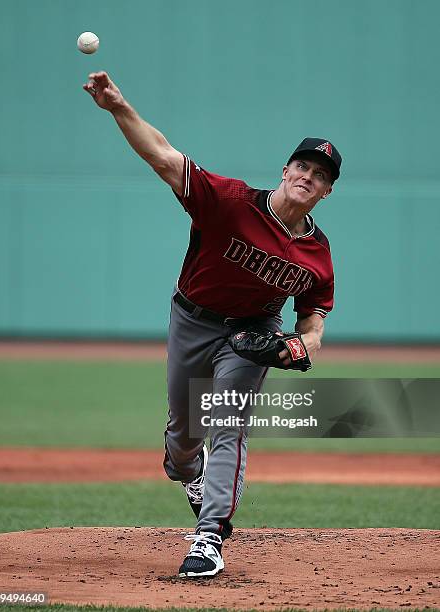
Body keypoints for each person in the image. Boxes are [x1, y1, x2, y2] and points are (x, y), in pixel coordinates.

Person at [83, 71, 342, 578]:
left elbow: (313, 317)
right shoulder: (229, 201)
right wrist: (118, 107)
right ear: (286, 169)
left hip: (252, 335)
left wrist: (300, 345)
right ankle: (188, 473)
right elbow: (162, 155)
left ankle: (209, 538)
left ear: (327, 191)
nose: (308, 175)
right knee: (184, 437)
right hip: (192, 320)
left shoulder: (317, 254)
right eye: (303, 164)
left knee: (227, 424)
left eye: (320, 174)